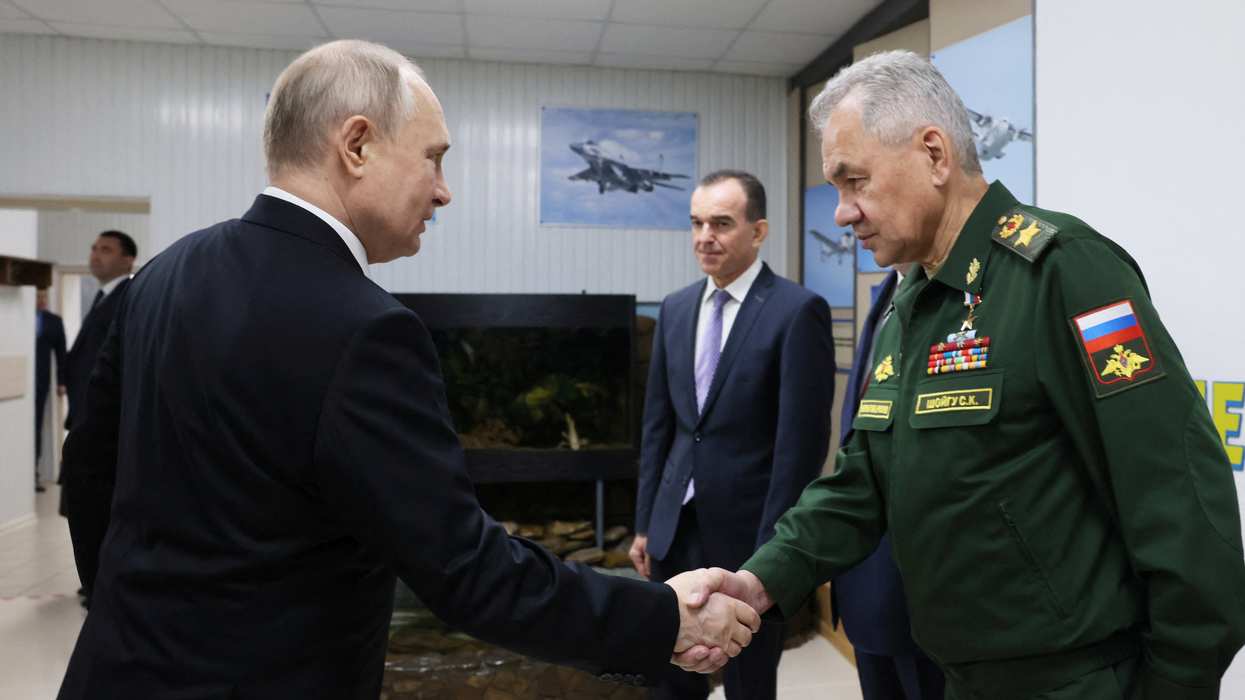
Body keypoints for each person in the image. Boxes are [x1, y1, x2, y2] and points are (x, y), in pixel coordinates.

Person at [57, 40, 759, 700]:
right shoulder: (364, 328)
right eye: (433, 158)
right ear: (356, 145)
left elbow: (87, 471)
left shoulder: (161, 276)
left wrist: (124, 611)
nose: (444, 191)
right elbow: (466, 572)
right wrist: (662, 617)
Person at [696, 50, 1245, 699]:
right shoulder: (911, 301)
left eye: (854, 181)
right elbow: (860, 484)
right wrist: (759, 581)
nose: (841, 212)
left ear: (933, 154)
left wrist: (1175, 684)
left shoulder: (1063, 273)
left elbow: (1176, 501)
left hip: (1075, 681)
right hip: (960, 677)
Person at [631, 169, 836, 699]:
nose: (705, 237)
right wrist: (645, 523)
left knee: (748, 683)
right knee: (671, 680)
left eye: (721, 223)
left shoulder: (797, 312)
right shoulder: (675, 308)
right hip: (675, 528)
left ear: (758, 231)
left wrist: (775, 552)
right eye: (697, 223)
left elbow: (800, 447)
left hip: (750, 540)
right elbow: (660, 427)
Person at [835, 268, 944, 700]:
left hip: (924, 597)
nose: (845, 213)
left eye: (859, 193)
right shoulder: (890, 290)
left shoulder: (973, 293)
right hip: (866, 581)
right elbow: (859, 445)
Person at [61, 229, 136, 604]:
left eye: (106, 250)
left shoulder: (128, 298)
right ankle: (95, 578)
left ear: (127, 260)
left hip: (107, 433)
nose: (95, 255)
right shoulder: (101, 300)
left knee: (101, 508)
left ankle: (103, 585)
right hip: (87, 424)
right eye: (93, 248)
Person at [34, 287, 67, 493]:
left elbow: (61, 354)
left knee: (35, 427)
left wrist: (61, 382)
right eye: (37, 296)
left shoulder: (53, 321)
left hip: (40, 385)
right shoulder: (14, 317)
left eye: (44, 295)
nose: (42, 300)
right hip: (16, 382)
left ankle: (33, 473)